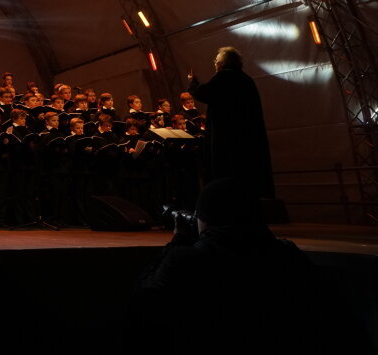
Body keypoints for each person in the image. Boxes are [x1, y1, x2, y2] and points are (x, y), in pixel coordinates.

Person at [133, 178, 322, 353]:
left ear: (205, 219)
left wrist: (177, 241)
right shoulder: (287, 254)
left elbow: (145, 299)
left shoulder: (188, 260)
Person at [188, 46, 275, 198]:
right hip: (248, 137)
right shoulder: (247, 80)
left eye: (216, 61)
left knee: (229, 171)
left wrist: (193, 82)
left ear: (222, 63)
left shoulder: (223, 77)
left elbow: (203, 93)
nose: (215, 64)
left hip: (228, 137)